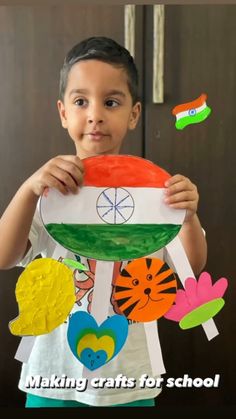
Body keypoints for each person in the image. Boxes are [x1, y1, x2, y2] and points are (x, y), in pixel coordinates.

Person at [0, 37, 207, 408]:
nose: (95, 114)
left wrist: (187, 217)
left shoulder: (157, 197)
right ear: (63, 113)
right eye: (81, 102)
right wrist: (28, 190)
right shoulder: (48, 193)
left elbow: (190, 268)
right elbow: (3, 255)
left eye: (111, 102)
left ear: (134, 113)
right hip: (53, 378)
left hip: (131, 381)